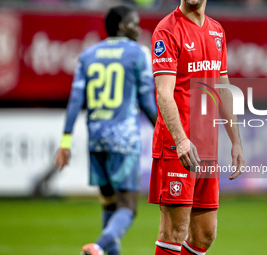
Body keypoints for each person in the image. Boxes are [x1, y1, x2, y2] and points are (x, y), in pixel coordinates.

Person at [55, 6, 157, 255]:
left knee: (109, 204)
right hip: (123, 138)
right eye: (134, 23)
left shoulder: (89, 54)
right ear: (122, 26)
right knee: (128, 207)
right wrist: (166, 133)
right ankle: (98, 247)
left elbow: (76, 100)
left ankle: (104, 251)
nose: (139, 27)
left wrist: (65, 142)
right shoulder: (139, 53)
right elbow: (147, 102)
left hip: (96, 138)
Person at [148, 0, 245, 254]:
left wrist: (236, 141)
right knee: (174, 233)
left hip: (207, 147)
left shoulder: (217, 31)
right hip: (177, 147)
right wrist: (180, 139)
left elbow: (223, 87)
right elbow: (164, 94)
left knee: (205, 235)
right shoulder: (167, 30)